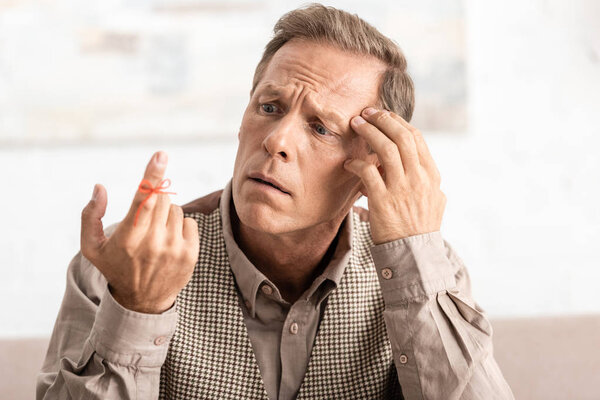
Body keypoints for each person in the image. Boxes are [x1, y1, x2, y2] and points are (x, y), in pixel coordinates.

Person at [37, 3, 514, 399]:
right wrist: (137, 309)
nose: (277, 140)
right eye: (270, 108)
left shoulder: (426, 269)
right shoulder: (124, 262)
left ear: (372, 167)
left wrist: (416, 252)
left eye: (321, 127)